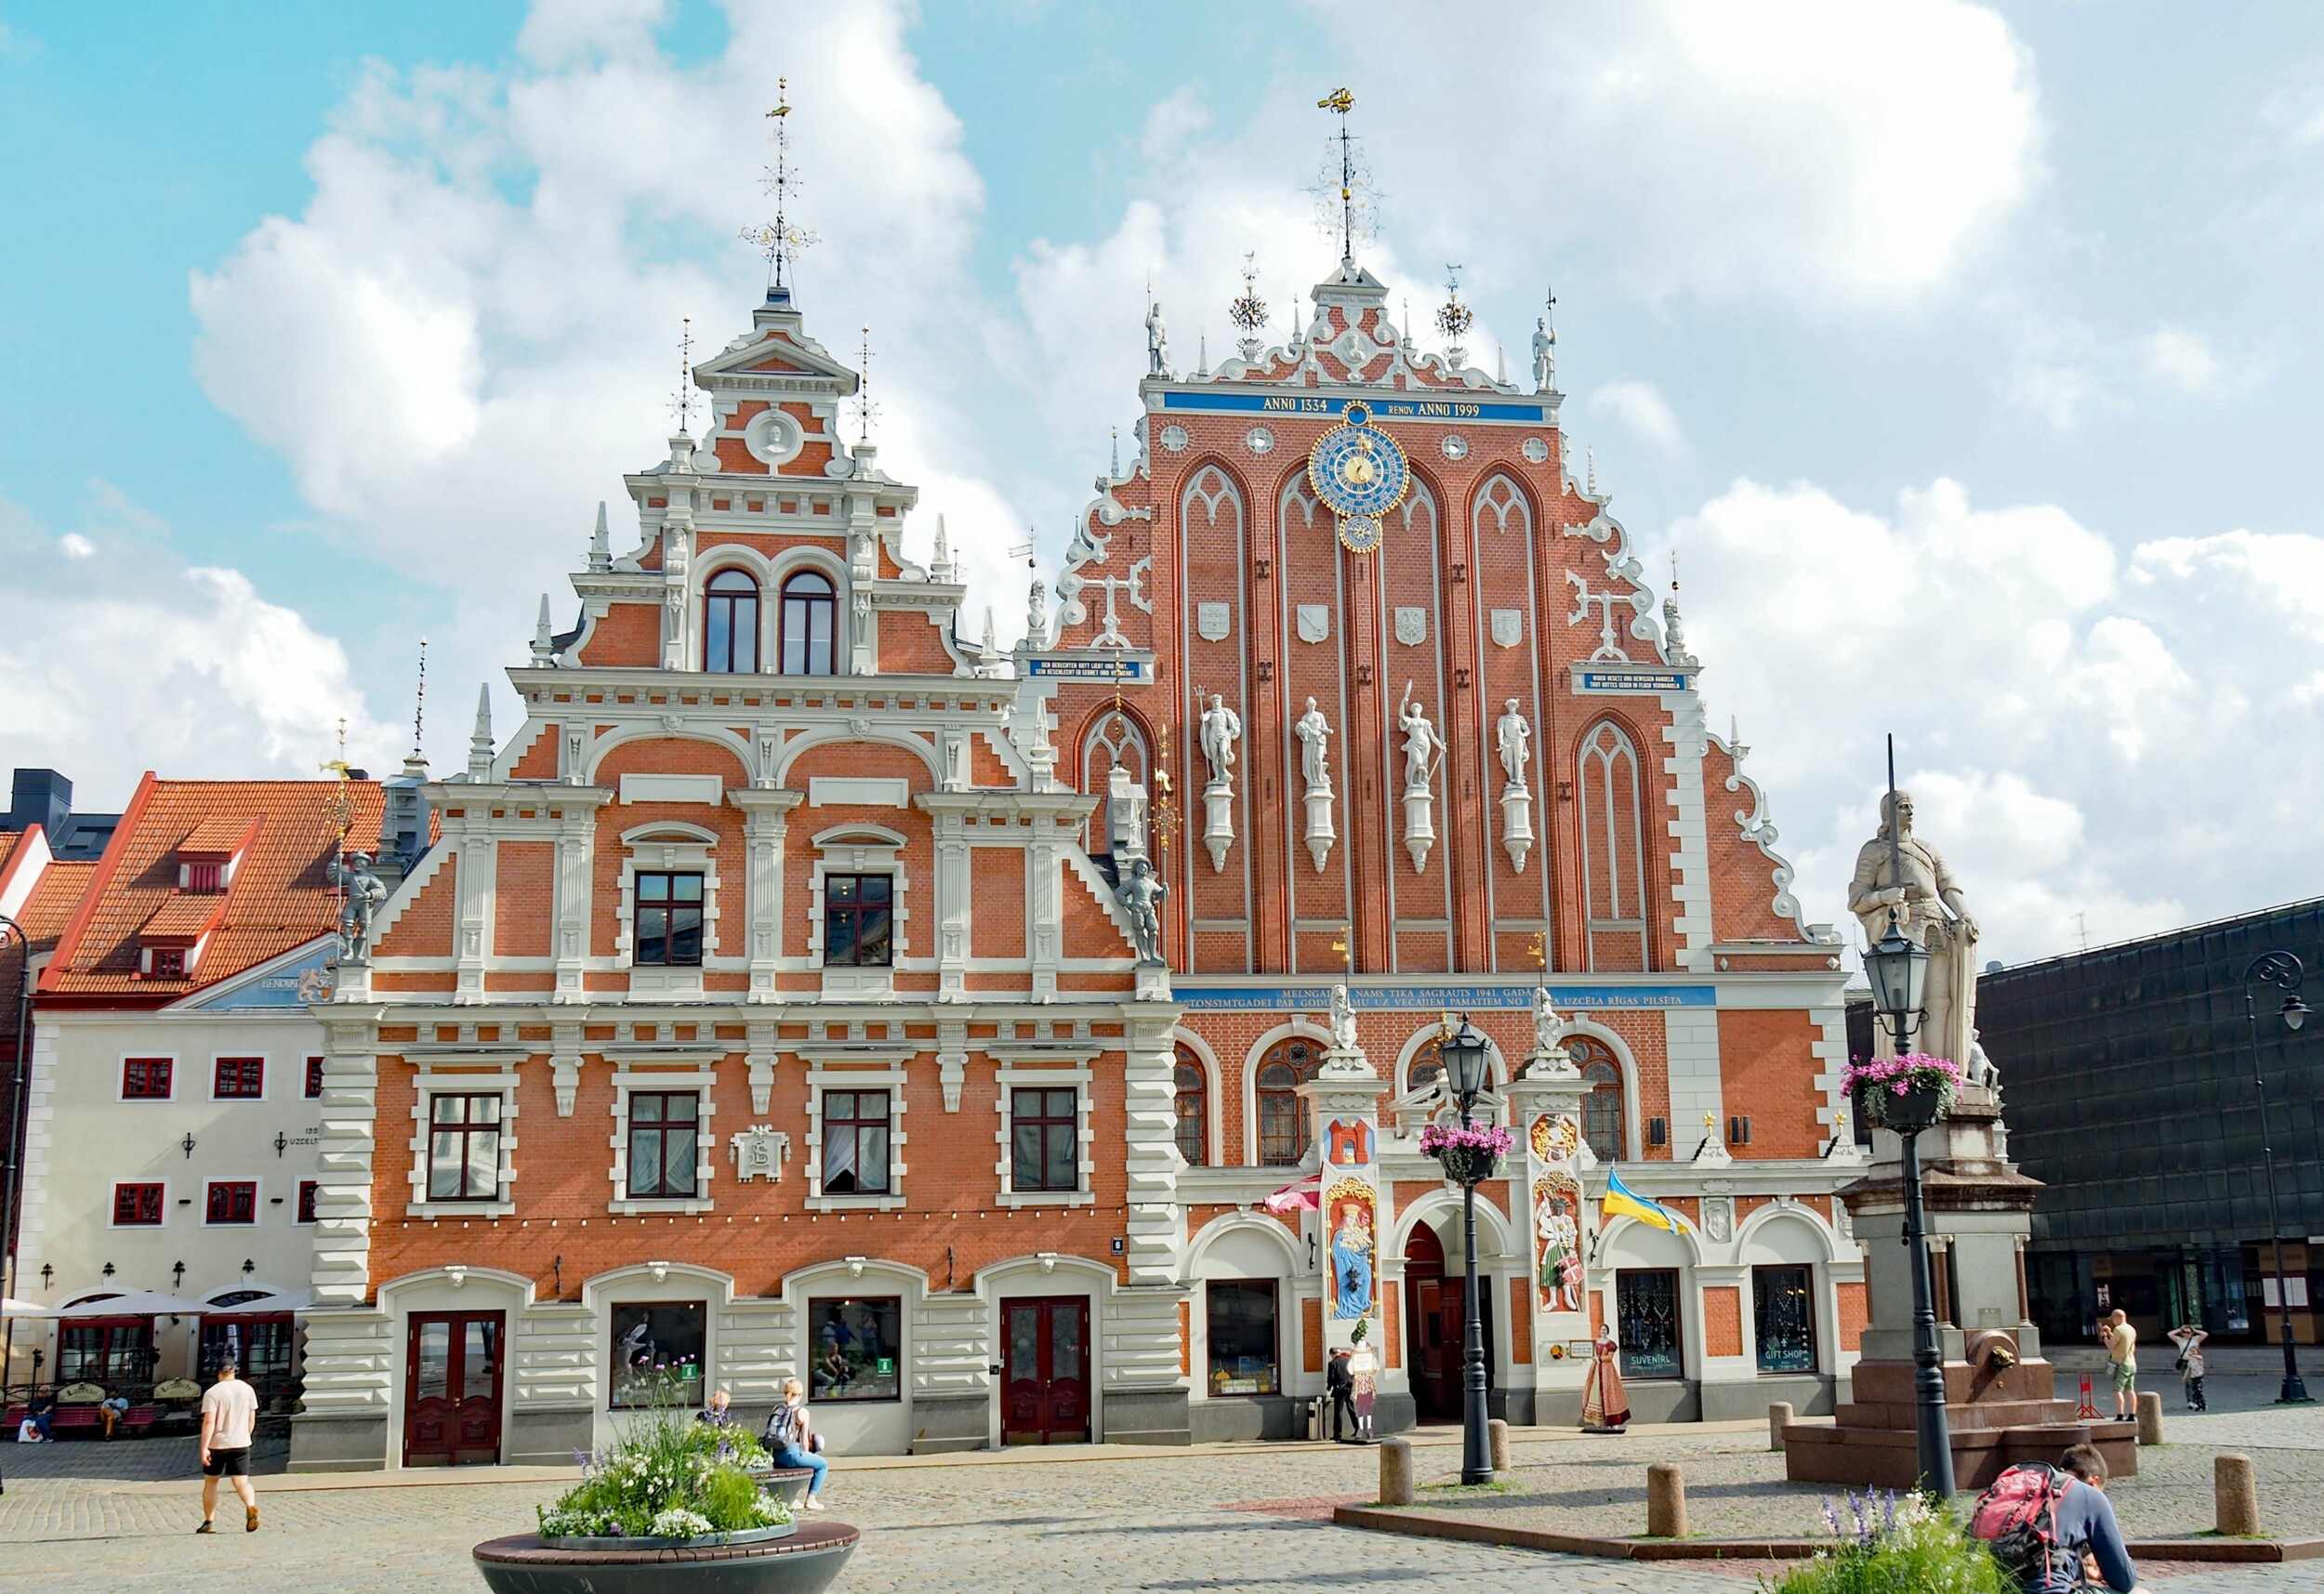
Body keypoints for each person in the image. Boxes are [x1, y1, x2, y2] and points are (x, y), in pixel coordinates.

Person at [2048, 1444, 2143, 1593]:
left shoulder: (2036, 1491)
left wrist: (2082, 1566)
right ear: (2093, 1482)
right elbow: (2125, 1580)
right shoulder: (2089, 1495)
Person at [197, 1361, 260, 1534]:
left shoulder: (213, 1393)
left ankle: (209, 1522)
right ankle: (251, 1506)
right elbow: (251, 1418)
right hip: (241, 1441)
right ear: (235, 1370)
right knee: (241, 1481)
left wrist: (204, 1448)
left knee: (211, 1482)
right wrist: (246, 1435)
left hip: (217, 1444)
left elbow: (209, 1422)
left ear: (218, 1372)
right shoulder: (247, 1389)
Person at [763, 1377, 827, 1511]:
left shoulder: (777, 1408)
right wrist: (806, 1454)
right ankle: (811, 1499)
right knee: (823, 1465)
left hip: (777, 1456)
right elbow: (804, 1440)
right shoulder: (802, 1412)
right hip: (792, 1454)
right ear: (800, 1394)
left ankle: (792, 1499)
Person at [1580, 1328, 1629, 1433]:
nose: (1603, 1331)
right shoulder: (1595, 1342)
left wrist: (1600, 1359)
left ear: (1608, 1331)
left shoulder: (1610, 1344)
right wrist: (1590, 1357)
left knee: (1609, 1393)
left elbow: (1610, 1357)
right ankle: (1599, 1421)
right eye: (1602, 1329)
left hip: (1607, 1370)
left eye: (1605, 1330)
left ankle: (1612, 1421)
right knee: (1595, 1392)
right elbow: (1591, 1352)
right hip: (1596, 1369)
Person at [2101, 1310, 2138, 1420]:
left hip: (2121, 1363)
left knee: (2117, 1390)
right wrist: (2109, 1333)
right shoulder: (2131, 1329)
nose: (2113, 1321)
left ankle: (2120, 1414)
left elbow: (2111, 1345)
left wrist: (2104, 1337)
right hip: (2131, 1363)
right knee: (2130, 1389)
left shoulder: (2118, 1329)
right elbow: (2121, 1342)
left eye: (2113, 1319)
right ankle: (2132, 1415)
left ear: (2117, 1317)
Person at [2168, 1324, 2209, 1413]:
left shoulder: (2196, 1339)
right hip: (2184, 1362)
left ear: (2191, 1333)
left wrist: (2195, 1330)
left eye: (2188, 1332)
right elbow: (2170, 1334)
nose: (2186, 1334)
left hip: (2195, 1362)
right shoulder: (2180, 1340)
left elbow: (2205, 1334)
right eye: (2184, 1332)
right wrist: (2180, 1329)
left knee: (2195, 1382)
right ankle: (2190, 1401)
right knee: (2188, 1382)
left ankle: (2197, 1400)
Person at [1326, 1347, 1355, 1443]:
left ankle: (1337, 1434)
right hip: (1349, 1387)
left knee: (1338, 1411)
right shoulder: (1348, 1361)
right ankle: (1358, 1429)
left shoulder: (1332, 1363)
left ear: (1332, 1354)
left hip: (1340, 1389)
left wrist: (1329, 1387)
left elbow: (1331, 1377)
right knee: (1351, 1409)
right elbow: (1353, 1373)